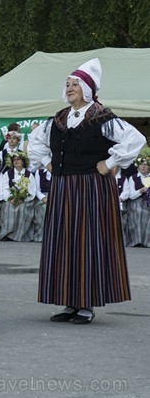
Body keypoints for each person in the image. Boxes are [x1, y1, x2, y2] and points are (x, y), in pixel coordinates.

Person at [28, 58, 145, 324]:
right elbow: (34, 142)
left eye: (75, 85)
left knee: (88, 241)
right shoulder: (58, 120)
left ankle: (86, 303)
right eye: (67, 84)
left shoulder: (102, 117)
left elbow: (135, 139)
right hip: (62, 187)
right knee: (64, 242)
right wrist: (48, 162)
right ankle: (69, 301)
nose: (69, 88)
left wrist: (111, 162)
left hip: (91, 187)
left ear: (88, 89)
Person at [0, 151, 36, 241]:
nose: (16, 161)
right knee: (8, 207)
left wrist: (22, 199)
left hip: (24, 201)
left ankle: (19, 234)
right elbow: (4, 188)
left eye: (18, 159)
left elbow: (32, 191)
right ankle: (7, 233)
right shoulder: (7, 174)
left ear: (23, 161)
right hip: (11, 200)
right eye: (14, 160)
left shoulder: (29, 175)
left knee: (22, 208)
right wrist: (11, 198)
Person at [124, 155, 150, 247]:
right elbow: (131, 195)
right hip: (136, 202)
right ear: (138, 166)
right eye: (141, 164)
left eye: (146, 165)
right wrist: (141, 190)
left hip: (148, 202)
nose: (143, 166)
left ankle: (147, 241)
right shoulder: (133, 178)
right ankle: (137, 240)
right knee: (138, 212)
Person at [31, 165, 51, 242]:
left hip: (57, 196)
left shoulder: (59, 171)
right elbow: (37, 190)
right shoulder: (39, 172)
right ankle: (42, 236)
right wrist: (43, 198)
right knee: (43, 208)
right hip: (43, 197)